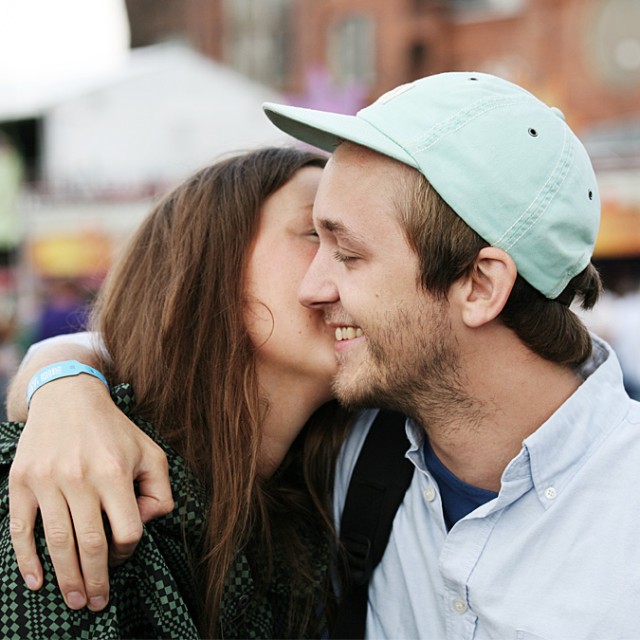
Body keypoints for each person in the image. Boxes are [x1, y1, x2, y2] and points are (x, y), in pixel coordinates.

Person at [8, 72, 640, 639]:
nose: (316, 285)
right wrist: (64, 385)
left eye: (347, 250)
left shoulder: (336, 461)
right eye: (313, 236)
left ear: (479, 285)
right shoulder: (349, 452)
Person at [2, 146, 349, 639]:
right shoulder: (71, 490)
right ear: (212, 264)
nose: (353, 262)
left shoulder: (324, 492)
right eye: (316, 233)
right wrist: (58, 383)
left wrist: (61, 377)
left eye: (356, 241)